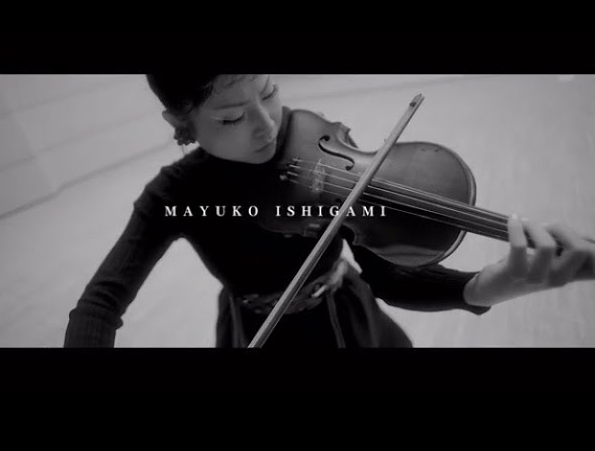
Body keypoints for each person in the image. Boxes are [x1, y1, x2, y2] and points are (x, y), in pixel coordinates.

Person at [63, 74, 595, 348]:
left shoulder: (314, 137)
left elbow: (387, 275)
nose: (268, 126)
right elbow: (100, 304)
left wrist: (486, 285)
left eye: (269, 92)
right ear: (180, 122)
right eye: (231, 119)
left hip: (351, 318)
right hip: (258, 332)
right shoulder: (175, 194)